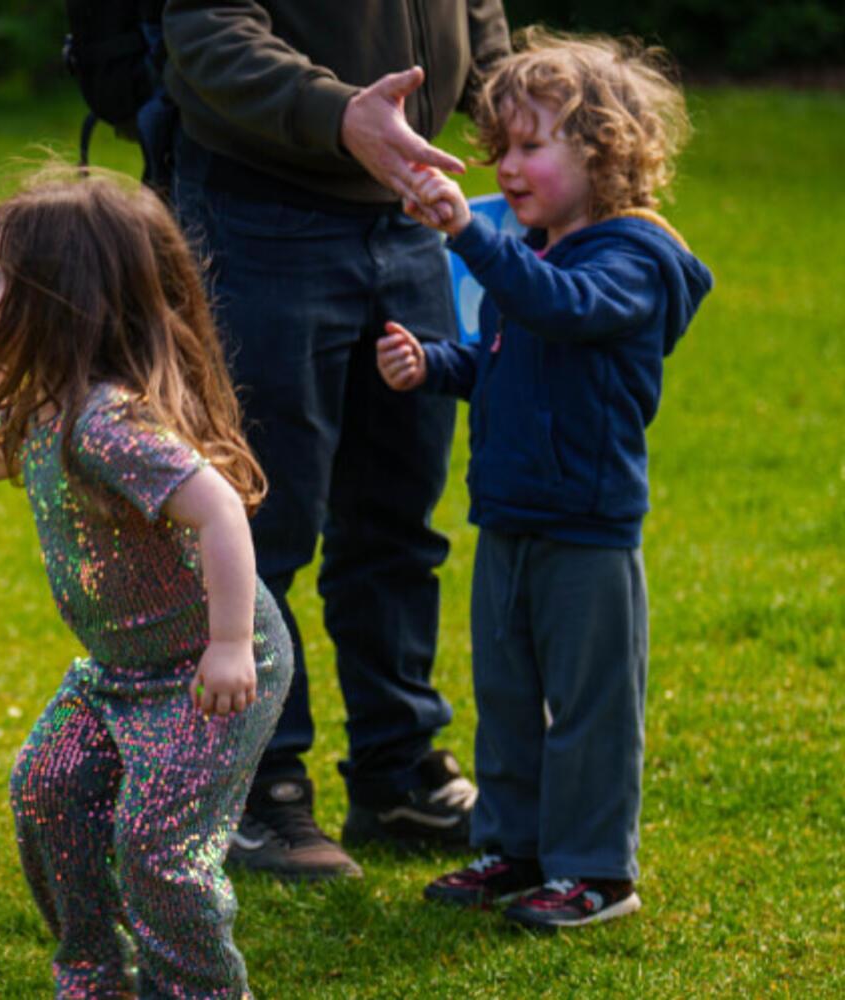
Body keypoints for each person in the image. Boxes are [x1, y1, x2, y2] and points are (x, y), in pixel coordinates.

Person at [160, 0, 511, 878]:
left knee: (399, 519)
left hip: (410, 211)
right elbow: (205, 29)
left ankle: (399, 771)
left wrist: (515, 97)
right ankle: (257, 786)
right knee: (255, 521)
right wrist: (338, 111)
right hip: (262, 217)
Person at [374, 30, 709, 930]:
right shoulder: (543, 253)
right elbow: (504, 357)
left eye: (530, 147)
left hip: (587, 527)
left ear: (603, 152)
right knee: (510, 699)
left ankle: (598, 873)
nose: (506, 168)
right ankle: (514, 850)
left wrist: (468, 239)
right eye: (500, 150)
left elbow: (560, 315)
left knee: (590, 708)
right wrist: (435, 363)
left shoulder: (630, 259)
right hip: (510, 518)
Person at [0, 166, 291, 997]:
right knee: (48, 790)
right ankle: (93, 973)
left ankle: (202, 991)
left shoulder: (108, 422)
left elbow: (220, 511)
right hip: (115, 676)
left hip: (201, 678)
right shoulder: (42, 409)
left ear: (64, 296)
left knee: (160, 849)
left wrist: (227, 645)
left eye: (2, 277)